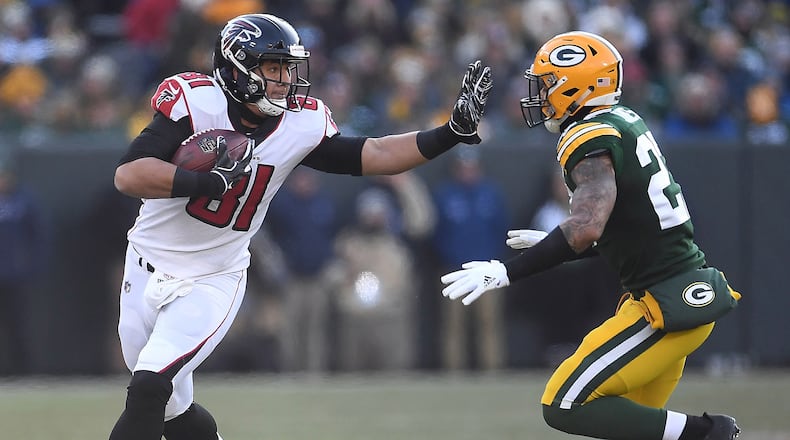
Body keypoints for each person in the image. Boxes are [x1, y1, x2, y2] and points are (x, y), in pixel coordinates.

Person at [110, 12, 491, 440]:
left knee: (149, 387)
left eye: (289, 69)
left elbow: (378, 154)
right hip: (144, 265)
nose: (286, 80)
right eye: (273, 68)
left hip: (212, 277)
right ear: (237, 69)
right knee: (171, 409)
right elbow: (129, 175)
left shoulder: (299, 124)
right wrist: (206, 181)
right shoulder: (197, 102)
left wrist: (449, 133)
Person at [440, 31, 742, 440]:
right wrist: (556, 243)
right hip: (671, 290)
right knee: (631, 427)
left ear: (575, 86)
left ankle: (709, 432)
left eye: (547, 84)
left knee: (564, 402)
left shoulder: (588, 134)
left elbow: (586, 228)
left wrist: (506, 272)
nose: (540, 95)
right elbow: (632, 228)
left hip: (664, 304)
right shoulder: (623, 120)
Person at [431, 147, 509, 371]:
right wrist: (448, 258)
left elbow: (501, 229)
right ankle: (453, 372)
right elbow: (437, 233)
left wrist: (494, 262)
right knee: (453, 325)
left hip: (487, 270)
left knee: (489, 323)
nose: (467, 172)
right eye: (463, 167)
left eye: (471, 167)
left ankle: (492, 371)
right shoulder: (445, 195)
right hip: (455, 269)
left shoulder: (490, 194)